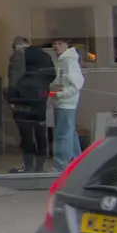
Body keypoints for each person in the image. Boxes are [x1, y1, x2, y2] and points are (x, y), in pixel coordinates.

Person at [5, 38, 53, 173]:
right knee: (40, 133)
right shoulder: (45, 56)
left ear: (17, 46)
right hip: (39, 100)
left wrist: (12, 98)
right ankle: (40, 166)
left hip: (22, 102)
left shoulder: (18, 56)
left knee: (26, 134)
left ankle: (28, 165)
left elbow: (14, 79)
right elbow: (51, 75)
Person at [48, 39, 85, 172]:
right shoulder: (62, 60)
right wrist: (54, 94)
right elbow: (60, 80)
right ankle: (76, 161)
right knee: (69, 133)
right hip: (62, 102)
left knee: (62, 134)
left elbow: (77, 84)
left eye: (60, 44)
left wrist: (60, 94)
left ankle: (61, 165)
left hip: (66, 103)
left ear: (67, 45)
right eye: (55, 43)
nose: (56, 46)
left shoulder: (69, 61)